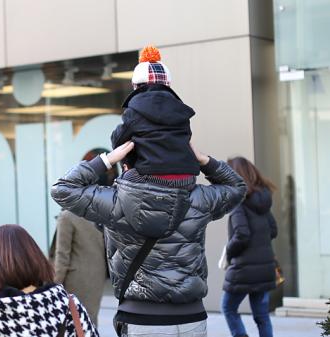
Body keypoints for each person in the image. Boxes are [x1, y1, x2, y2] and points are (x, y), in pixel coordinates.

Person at [51, 141, 247, 337]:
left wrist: (107, 159)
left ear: (125, 166)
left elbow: (62, 189)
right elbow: (237, 186)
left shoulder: (114, 202)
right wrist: (203, 159)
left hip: (142, 318)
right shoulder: (197, 198)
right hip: (192, 316)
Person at [111, 45, 200, 178]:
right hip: (185, 177)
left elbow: (118, 140)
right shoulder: (180, 110)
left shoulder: (134, 112)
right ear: (168, 84)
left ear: (136, 85)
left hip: (149, 177)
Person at [222, 157, 278, 337]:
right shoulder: (263, 200)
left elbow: (242, 235)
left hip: (243, 270)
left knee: (228, 308)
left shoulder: (239, 200)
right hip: (265, 268)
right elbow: (273, 230)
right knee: (262, 316)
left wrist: (228, 253)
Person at [55, 210, 107, 326]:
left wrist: (54, 285)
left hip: (75, 280)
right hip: (97, 276)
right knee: (90, 322)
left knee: (73, 324)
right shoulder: (96, 214)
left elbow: (62, 256)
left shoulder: (67, 216)